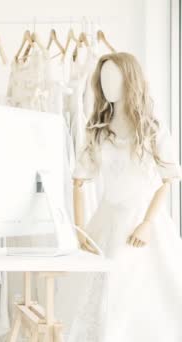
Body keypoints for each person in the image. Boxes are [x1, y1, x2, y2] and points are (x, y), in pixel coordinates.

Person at [69, 52, 182, 342]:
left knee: (138, 299)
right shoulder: (98, 130)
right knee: (101, 295)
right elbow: (78, 182)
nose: (107, 84)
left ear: (129, 80)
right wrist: (80, 230)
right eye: (103, 78)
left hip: (143, 225)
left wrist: (146, 222)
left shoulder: (152, 129)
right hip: (106, 220)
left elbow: (167, 180)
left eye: (114, 77)